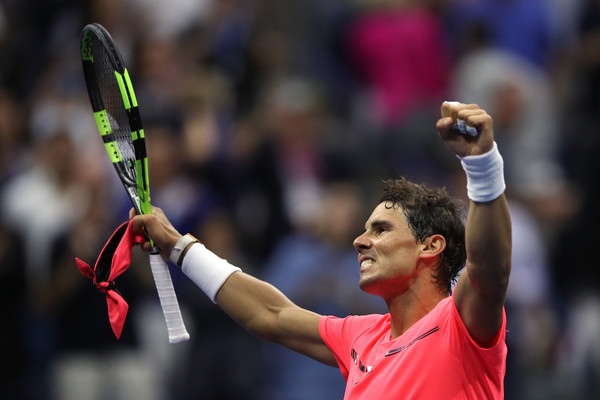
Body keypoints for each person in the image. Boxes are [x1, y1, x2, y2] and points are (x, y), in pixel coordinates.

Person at [130, 102, 512, 399]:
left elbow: (489, 269)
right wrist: (178, 246)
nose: (360, 241)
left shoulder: (459, 324)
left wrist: (481, 164)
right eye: (365, 230)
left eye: (380, 230)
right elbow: (271, 314)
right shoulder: (361, 338)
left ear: (431, 246)